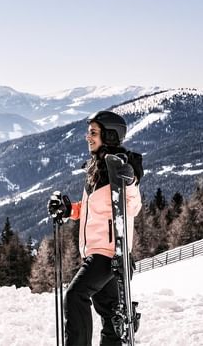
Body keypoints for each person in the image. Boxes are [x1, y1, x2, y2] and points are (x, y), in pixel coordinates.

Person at [48, 110, 143, 346]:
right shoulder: (97, 168)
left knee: (75, 296)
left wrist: (129, 181)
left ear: (109, 135)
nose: (87, 137)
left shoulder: (120, 166)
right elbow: (96, 209)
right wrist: (70, 209)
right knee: (111, 316)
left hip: (109, 254)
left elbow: (133, 206)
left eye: (93, 132)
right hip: (98, 252)